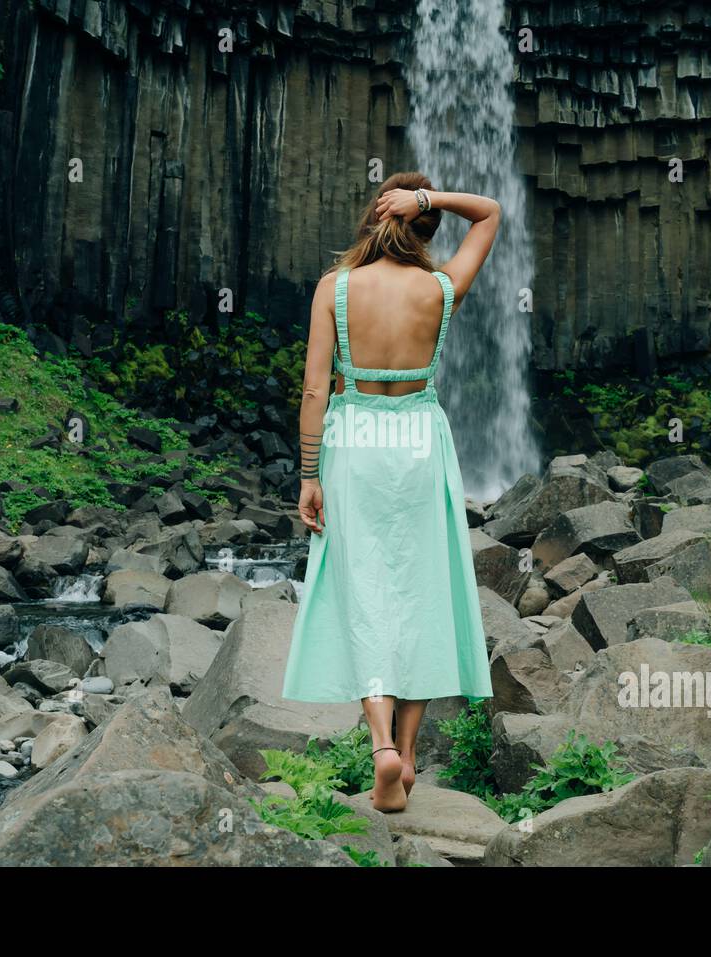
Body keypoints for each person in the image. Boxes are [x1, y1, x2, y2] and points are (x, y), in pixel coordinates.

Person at [280, 171, 500, 812]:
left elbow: (316, 391)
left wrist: (309, 475)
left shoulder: (335, 288)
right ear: (426, 227)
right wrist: (430, 200)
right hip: (419, 444)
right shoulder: (440, 288)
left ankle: (379, 749)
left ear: (373, 218)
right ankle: (406, 758)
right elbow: (488, 213)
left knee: (365, 591)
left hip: (354, 444)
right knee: (422, 592)